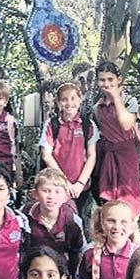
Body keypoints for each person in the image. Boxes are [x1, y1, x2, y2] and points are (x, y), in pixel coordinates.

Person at [93, 61, 140, 217]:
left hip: (126, 155)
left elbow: (126, 124)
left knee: (129, 197)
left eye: (110, 79)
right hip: (108, 156)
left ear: (119, 80)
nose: (106, 84)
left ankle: (131, 228)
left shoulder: (130, 101)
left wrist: (116, 97)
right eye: (102, 80)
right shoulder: (97, 107)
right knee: (109, 198)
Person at [39, 82, 99, 214]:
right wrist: (65, 183)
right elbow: (46, 155)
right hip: (57, 187)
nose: (69, 103)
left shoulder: (88, 125)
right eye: (64, 99)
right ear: (58, 102)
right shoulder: (51, 124)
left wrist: (80, 184)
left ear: (80, 99)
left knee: (80, 220)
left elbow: (92, 155)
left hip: (81, 187)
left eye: (73, 98)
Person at [26, 168, 86, 279]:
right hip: (33, 271)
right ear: (35, 194)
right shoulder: (25, 216)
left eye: (57, 192)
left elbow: (80, 251)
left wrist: (74, 277)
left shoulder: (72, 220)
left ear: (66, 197)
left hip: (61, 272)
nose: (51, 196)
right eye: (46, 191)